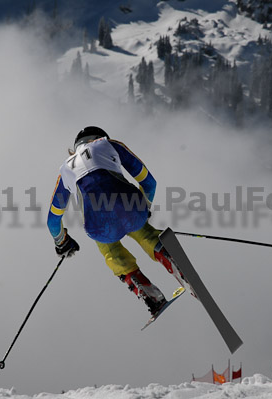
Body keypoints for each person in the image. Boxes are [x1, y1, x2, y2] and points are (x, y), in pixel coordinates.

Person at [47, 126, 184, 315]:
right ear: (99, 137)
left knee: (110, 251)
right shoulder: (109, 144)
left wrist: (62, 242)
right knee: (143, 231)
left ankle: (145, 290)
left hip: (99, 227)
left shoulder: (65, 171)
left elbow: (52, 221)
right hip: (131, 209)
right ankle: (170, 258)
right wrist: (144, 206)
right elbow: (149, 183)